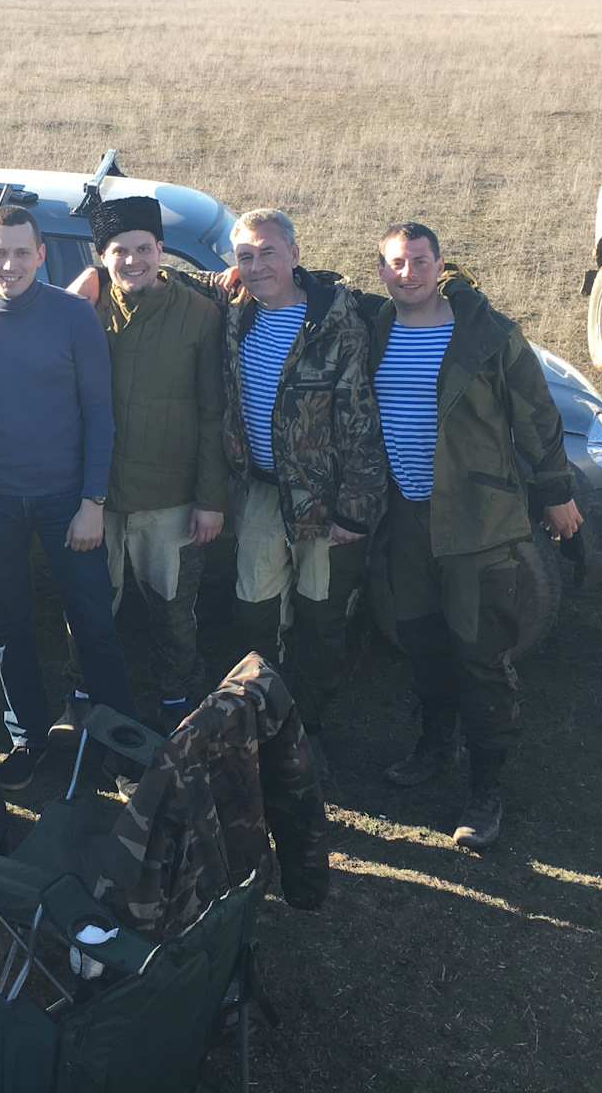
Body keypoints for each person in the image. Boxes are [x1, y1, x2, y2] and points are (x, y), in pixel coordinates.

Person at [364, 222, 580, 852]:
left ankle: (486, 787)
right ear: (381, 271)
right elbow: (304, 288)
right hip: (408, 515)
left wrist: (557, 492)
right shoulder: (377, 326)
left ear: (439, 264)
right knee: (423, 642)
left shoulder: (486, 333)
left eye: (420, 261)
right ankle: (435, 745)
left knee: (481, 656)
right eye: (397, 264)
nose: (409, 273)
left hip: (478, 519)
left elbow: (537, 412)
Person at [5, 196, 229, 737]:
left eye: (144, 250)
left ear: (159, 252)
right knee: (85, 603)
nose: (133, 261)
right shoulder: (81, 308)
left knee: (174, 611)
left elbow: (211, 411)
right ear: (102, 256)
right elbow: (13, 317)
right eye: (119, 251)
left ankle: (177, 701)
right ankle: (80, 698)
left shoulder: (199, 315)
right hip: (92, 496)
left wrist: (210, 498)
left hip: (169, 494)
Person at [0, 205, 137, 791]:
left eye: (22, 251)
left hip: (64, 499)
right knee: (11, 623)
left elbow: (100, 414)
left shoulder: (74, 316)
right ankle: (28, 736)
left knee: (94, 622)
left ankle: (120, 745)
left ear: (42, 255)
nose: (10, 263)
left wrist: (92, 501)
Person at [216, 209, 387, 782]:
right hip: (263, 494)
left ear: (294, 254)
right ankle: (264, 720)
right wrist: (91, 275)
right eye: (245, 256)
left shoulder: (337, 324)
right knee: (254, 611)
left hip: (326, 500)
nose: (258, 266)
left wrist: (354, 510)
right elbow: (160, 272)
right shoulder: (237, 314)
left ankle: (307, 730)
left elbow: (362, 421)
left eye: (268, 252)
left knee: (321, 620)